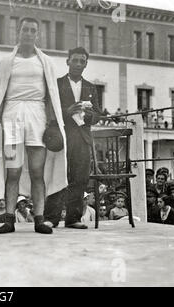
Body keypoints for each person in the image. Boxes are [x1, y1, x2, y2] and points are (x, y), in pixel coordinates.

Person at [0, 17, 67, 235]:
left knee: (37, 172)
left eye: (33, 30)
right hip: (12, 114)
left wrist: (52, 122)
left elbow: (51, 95)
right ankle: (9, 219)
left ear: (37, 34)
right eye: (25, 30)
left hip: (37, 115)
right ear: (18, 33)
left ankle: (39, 218)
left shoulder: (45, 62)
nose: (29, 33)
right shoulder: (6, 62)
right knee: (13, 172)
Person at [44, 47, 101, 229]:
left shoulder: (91, 87)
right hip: (61, 137)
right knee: (57, 176)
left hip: (83, 138)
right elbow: (48, 110)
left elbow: (98, 115)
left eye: (82, 61)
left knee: (80, 178)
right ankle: (51, 218)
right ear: (67, 61)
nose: (78, 64)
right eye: (74, 60)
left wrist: (91, 115)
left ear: (86, 64)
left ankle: (73, 219)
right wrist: (67, 112)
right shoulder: (57, 83)